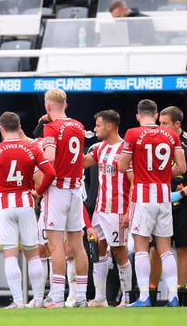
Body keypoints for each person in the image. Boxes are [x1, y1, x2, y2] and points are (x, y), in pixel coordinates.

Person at [0, 112, 56, 308]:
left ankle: (18, 302)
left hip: (4, 206)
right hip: (26, 202)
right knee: (33, 255)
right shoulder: (31, 149)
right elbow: (51, 173)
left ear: (1, 128)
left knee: (10, 255)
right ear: (19, 126)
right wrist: (38, 192)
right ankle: (37, 300)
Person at [119, 99, 186, 307]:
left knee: (141, 248)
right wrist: (163, 173)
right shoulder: (171, 135)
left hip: (143, 195)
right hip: (164, 195)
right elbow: (182, 168)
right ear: (156, 116)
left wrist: (140, 170)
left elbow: (122, 166)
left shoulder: (132, 133)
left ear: (138, 116)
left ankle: (144, 297)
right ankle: (173, 296)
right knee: (166, 249)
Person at [41, 88, 89, 308]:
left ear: (48, 106)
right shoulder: (78, 126)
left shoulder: (50, 128)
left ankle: (58, 297)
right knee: (77, 245)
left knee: (56, 245)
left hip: (57, 189)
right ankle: (81, 296)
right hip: (76, 190)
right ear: (65, 105)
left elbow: (49, 158)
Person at [82, 110, 133, 307]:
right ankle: (100, 297)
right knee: (99, 251)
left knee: (119, 253)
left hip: (118, 209)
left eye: (98, 125)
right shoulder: (99, 148)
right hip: (100, 209)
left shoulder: (124, 150)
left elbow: (133, 180)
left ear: (110, 126)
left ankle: (127, 298)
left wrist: (129, 211)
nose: (95, 129)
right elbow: (85, 162)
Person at [153, 106, 187, 286]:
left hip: (185, 203)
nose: (161, 127)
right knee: (155, 249)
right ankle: (151, 293)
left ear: (177, 124)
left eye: (165, 123)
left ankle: (180, 292)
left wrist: (181, 193)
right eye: (159, 123)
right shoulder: (155, 141)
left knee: (183, 248)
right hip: (160, 202)